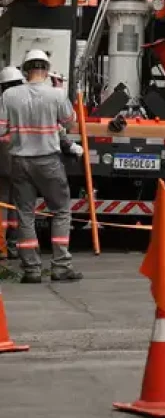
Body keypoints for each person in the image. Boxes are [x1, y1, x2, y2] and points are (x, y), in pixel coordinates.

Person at [0, 49, 83, 283]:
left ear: (26, 71)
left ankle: (32, 270)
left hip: (19, 161)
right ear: (46, 71)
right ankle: (60, 266)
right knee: (61, 211)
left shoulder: (9, 96)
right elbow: (70, 123)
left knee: (25, 213)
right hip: (48, 161)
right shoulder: (56, 95)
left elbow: (0, 130)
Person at [0, 66, 24, 260]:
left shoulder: (2, 102)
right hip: (22, 159)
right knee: (17, 204)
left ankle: (1, 248)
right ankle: (14, 246)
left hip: (3, 159)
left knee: (2, 202)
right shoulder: (27, 101)